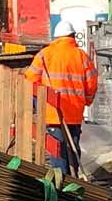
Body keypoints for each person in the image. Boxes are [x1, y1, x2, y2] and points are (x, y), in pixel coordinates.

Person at [29, 14, 99, 178]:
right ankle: (73, 182)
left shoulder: (44, 54)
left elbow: (30, 81)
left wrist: (39, 104)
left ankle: (62, 184)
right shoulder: (81, 56)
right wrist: (87, 101)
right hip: (74, 113)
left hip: (53, 114)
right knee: (73, 149)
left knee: (57, 151)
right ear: (73, 36)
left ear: (56, 37)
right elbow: (91, 83)